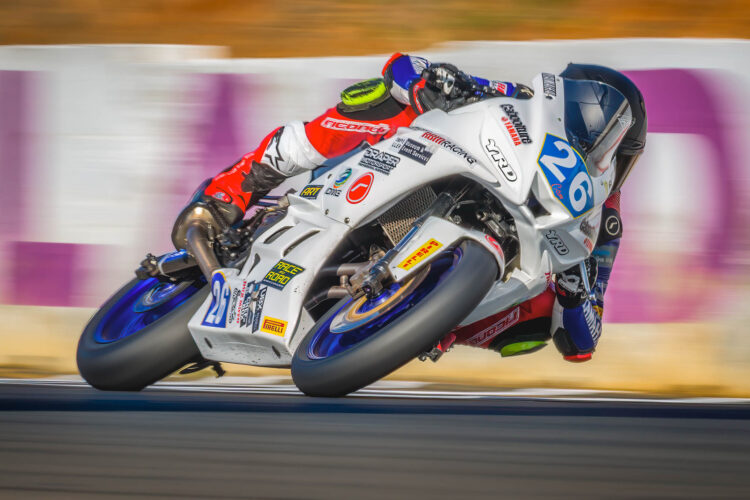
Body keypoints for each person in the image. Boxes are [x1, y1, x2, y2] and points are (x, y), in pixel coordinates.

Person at [172, 54, 647, 363]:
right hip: (422, 172)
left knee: (539, 319)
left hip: (492, 283)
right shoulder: (519, 100)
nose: (598, 148)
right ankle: (227, 193)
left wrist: (575, 286)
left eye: (614, 148)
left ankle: (424, 314)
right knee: (379, 101)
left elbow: (581, 343)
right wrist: (427, 82)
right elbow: (404, 66)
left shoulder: (602, 224)